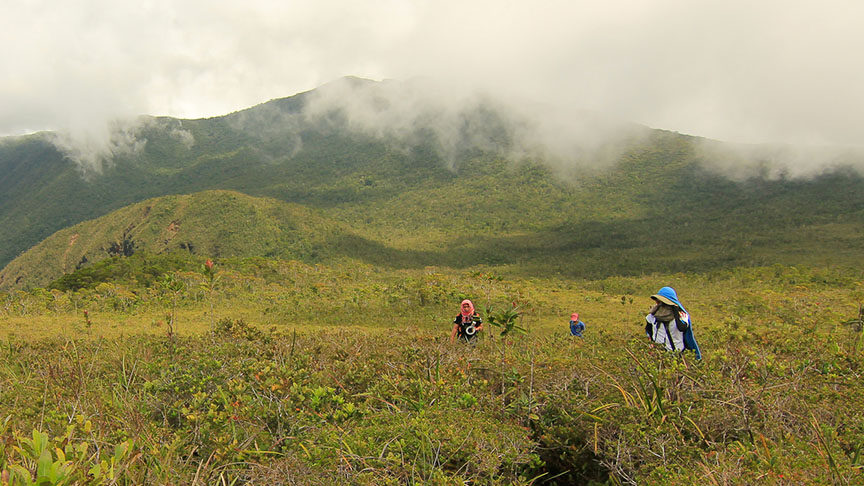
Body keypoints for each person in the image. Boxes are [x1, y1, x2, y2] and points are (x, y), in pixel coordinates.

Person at [644, 287, 702, 360]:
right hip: (658, 354)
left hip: (677, 355)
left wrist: (676, 312)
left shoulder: (681, 315)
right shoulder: (653, 316)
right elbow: (648, 330)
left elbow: (682, 327)